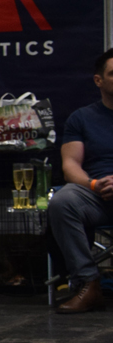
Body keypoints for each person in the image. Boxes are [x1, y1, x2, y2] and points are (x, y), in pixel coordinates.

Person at [49, 47, 113, 313]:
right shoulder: (82, 118)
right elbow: (70, 165)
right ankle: (88, 283)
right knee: (62, 201)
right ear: (99, 80)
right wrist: (94, 185)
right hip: (97, 193)